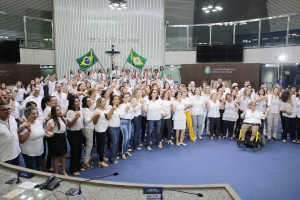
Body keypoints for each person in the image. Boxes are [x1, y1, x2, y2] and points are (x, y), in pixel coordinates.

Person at [45, 105, 68, 175]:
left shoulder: (63, 119)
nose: (60, 111)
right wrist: (50, 133)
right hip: (55, 138)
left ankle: (63, 170)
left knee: (63, 155)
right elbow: (47, 130)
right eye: (57, 110)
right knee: (56, 157)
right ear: (54, 112)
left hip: (62, 137)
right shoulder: (52, 121)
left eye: (60, 109)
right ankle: (56, 172)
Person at [66, 96, 84, 176]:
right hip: (72, 133)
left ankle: (78, 165)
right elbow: (69, 125)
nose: (78, 103)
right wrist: (75, 118)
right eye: (76, 101)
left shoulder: (80, 110)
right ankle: (73, 169)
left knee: (79, 149)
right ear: (72, 103)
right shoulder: (70, 112)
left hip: (79, 131)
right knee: (74, 150)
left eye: (78, 101)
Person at [82, 96, 99, 169]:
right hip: (87, 128)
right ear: (85, 103)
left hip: (90, 128)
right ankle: (85, 162)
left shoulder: (89, 109)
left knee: (90, 145)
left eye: (90, 101)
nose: (90, 102)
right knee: (89, 145)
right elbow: (87, 120)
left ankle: (87, 159)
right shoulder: (85, 109)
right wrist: (94, 115)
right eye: (88, 101)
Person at [94, 97, 109, 168]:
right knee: (101, 145)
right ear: (99, 103)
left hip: (104, 128)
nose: (104, 102)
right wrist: (97, 117)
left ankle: (102, 156)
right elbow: (95, 122)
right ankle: (100, 161)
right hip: (100, 129)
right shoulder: (97, 110)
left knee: (102, 145)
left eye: (105, 101)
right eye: (103, 101)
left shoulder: (104, 110)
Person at [106, 95, 121, 164]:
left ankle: (114, 156)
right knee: (114, 142)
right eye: (115, 99)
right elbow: (108, 117)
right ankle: (112, 159)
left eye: (118, 99)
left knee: (116, 142)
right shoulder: (109, 107)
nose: (117, 100)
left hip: (117, 126)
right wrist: (112, 110)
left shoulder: (118, 107)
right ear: (112, 101)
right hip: (111, 126)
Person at [119, 92, 133, 159]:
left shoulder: (129, 104)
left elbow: (131, 114)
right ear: (122, 99)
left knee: (129, 137)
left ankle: (126, 150)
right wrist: (126, 111)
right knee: (125, 138)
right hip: (123, 121)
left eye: (128, 96)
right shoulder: (121, 106)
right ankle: (122, 152)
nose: (128, 98)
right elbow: (121, 116)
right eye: (126, 97)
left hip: (129, 121)